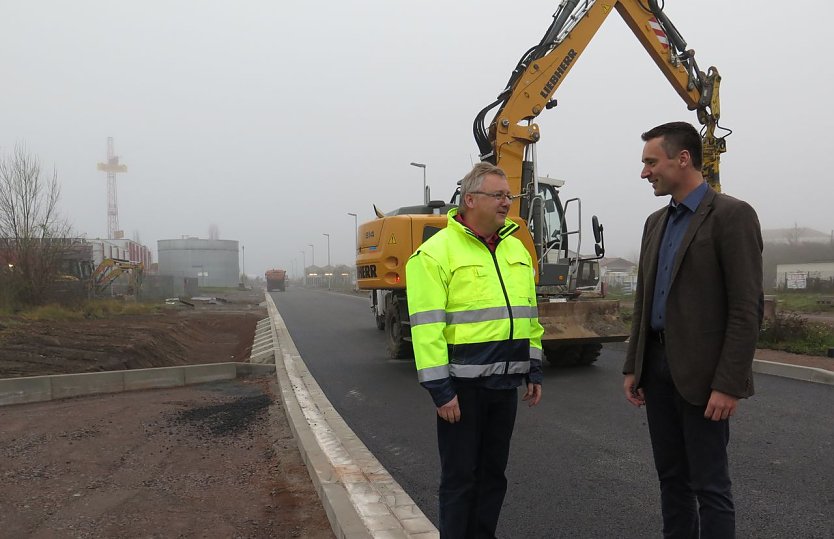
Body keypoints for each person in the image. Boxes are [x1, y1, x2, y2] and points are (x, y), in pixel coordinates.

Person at [623, 121, 763, 538]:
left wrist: (728, 384)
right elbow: (643, 301)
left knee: (710, 487)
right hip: (658, 368)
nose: (645, 172)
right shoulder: (654, 223)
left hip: (705, 378)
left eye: (651, 162)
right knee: (672, 482)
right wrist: (634, 365)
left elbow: (746, 308)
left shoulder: (732, 216)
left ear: (683, 159)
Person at [406, 162, 544, 538]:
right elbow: (426, 329)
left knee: (493, 477)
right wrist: (440, 390)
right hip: (462, 390)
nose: (506, 203)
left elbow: (529, 315)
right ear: (470, 200)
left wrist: (532, 369)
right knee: (460, 479)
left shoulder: (516, 249)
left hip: (505, 386)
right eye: (498, 196)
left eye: (508, 196)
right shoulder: (436, 253)